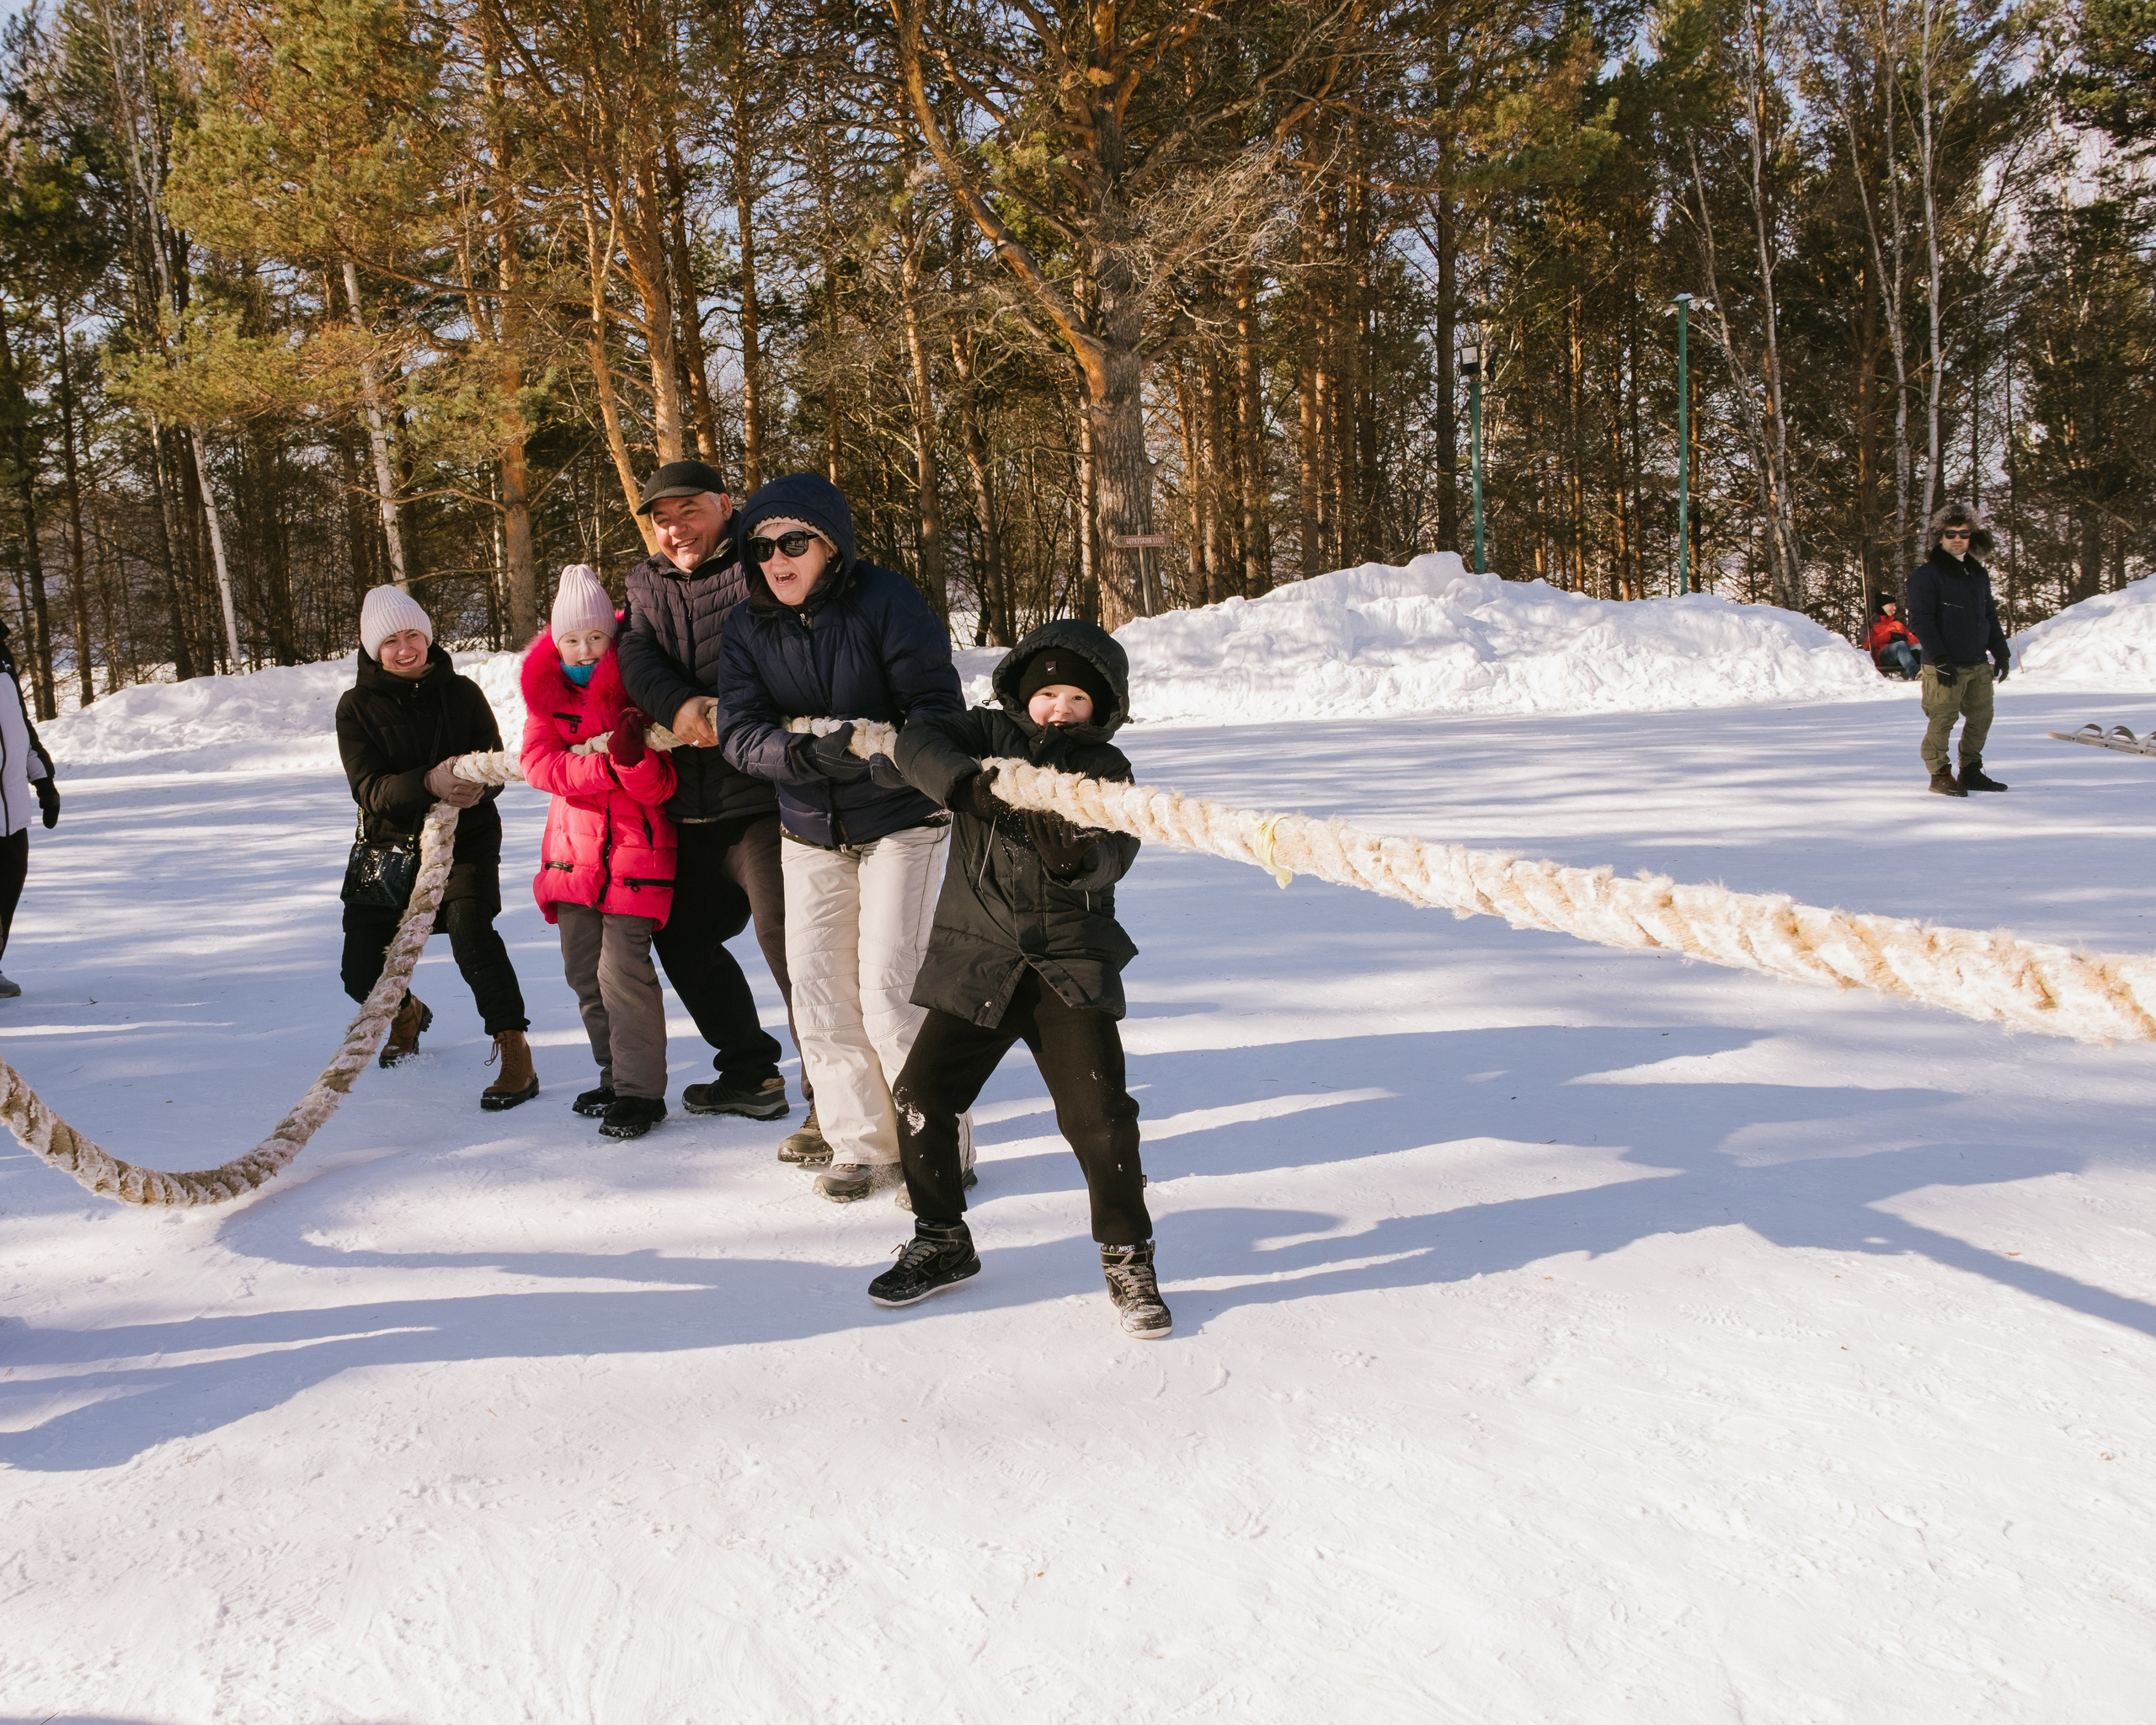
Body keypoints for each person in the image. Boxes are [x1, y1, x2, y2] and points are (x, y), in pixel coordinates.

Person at [867, 622, 1172, 1340]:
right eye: (1047, 694)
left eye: (1075, 698)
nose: (1059, 709)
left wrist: (1079, 861)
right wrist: (968, 787)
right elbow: (916, 743)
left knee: (1099, 1118)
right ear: (1021, 694)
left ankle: (1127, 1253)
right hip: (981, 959)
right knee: (921, 1096)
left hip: (1068, 964)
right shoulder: (979, 736)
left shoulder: (1107, 770)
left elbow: (1116, 851)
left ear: (1100, 709)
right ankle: (942, 1238)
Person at [717, 473, 967, 1201]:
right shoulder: (746, 626)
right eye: (760, 547)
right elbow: (739, 731)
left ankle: (936, 1147)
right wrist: (798, 756)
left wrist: (887, 760)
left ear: (829, 545)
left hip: (899, 821)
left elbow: (933, 706)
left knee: (890, 990)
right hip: (808, 826)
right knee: (820, 992)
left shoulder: (887, 601)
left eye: (793, 541)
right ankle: (862, 1144)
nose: (775, 558)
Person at [616, 459, 811, 1140]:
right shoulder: (646, 583)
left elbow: (789, 645)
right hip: (689, 807)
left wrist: (732, 707)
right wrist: (681, 703)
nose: (676, 530)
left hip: (763, 798)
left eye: (688, 512)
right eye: (663, 520)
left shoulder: (761, 564)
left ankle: (833, 1097)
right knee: (682, 935)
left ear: (724, 505)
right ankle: (750, 1071)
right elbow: (634, 658)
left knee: (789, 941)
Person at [336, 584, 537, 1103]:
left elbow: (492, 764)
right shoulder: (355, 707)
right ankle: (407, 1014)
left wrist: (477, 785)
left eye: (413, 636)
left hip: (465, 839)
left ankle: (514, 1048)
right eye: (391, 642)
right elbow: (371, 790)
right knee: (359, 971)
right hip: (389, 851)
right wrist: (429, 781)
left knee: (473, 934)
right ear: (372, 650)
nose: (405, 649)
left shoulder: (462, 692)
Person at [520, 565, 677, 1140]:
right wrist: (607, 764)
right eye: (571, 640)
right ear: (555, 641)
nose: (584, 650)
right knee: (584, 973)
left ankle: (641, 1094)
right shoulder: (548, 700)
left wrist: (633, 760)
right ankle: (613, 1075)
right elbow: (540, 766)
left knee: (622, 976)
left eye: (595, 638)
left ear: (612, 638)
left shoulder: (637, 687)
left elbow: (659, 787)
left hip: (636, 858)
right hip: (573, 860)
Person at [1906, 504, 2011, 797]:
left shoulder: (1977, 574)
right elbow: (1921, 620)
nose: (1957, 539)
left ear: (1971, 537)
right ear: (1939, 537)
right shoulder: (1925, 577)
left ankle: (1971, 771)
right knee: (1942, 719)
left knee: (1981, 717)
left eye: (1963, 534)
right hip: (1944, 664)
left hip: (1977, 662)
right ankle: (1939, 774)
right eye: (1950, 534)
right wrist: (1939, 659)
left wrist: (2000, 652)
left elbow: (1988, 614)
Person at [0, 617, 58, 999]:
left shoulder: (0, 654)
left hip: (10, 808)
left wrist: (43, 780)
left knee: (7, 885)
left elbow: (18, 724)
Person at [1864, 599, 1920, 680]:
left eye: (1895, 605)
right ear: (1883, 606)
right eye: (1892, 605)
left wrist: (1905, 639)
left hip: (1903, 650)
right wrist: (1889, 636)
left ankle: (1934, 673)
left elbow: (1916, 640)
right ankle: (1916, 675)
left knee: (1922, 647)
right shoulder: (1871, 625)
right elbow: (1867, 645)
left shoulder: (1898, 624)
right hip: (1884, 654)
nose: (1895, 608)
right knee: (1900, 645)